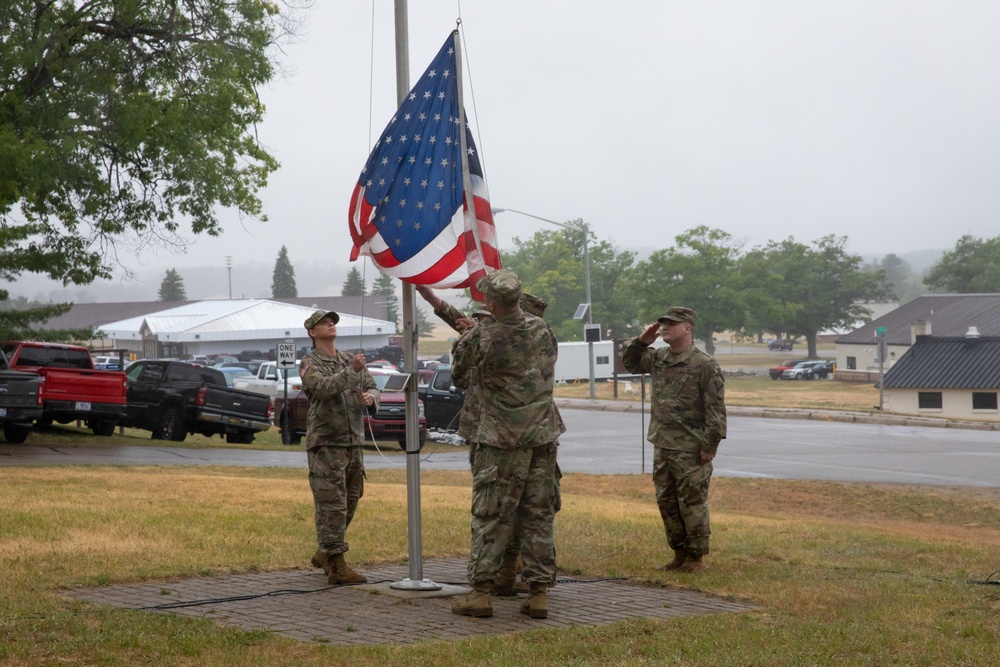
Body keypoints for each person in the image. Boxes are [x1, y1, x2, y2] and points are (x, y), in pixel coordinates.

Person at [415, 286, 561, 598]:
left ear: (493, 303)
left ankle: (483, 588)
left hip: (498, 438)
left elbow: (459, 374)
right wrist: (432, 299)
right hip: (540, 435)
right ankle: (535, 592)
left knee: (492, 511)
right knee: (536, 512)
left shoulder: (484, 337)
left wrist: (468, 338)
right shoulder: (542, 331)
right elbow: (464, 322)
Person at [621, 307, 727, 573]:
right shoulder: (659, 358)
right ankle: (679, 553)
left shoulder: (704, 364)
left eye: (671, 323)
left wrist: (710, 445)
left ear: (687, 328)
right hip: (663, 444)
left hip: (690, 447)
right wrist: (642, 341)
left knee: (692, 504)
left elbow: (715, 409)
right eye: (663, 324)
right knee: (666, 502)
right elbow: (630, 362)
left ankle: (695, 557)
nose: (665, 327)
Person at [300, 309, 380, 585]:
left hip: (353, 440)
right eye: (323, 323)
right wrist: (351, 372)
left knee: (351, 499)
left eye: (332, 321)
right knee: (331, 503)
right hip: (327, 441)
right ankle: (337, 564)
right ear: (312, 332)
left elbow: (372, 386)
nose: (330, 325)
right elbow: (321, 388)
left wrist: (371, 397)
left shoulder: (349, 358)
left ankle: (325, 552)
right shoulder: (310, 362)